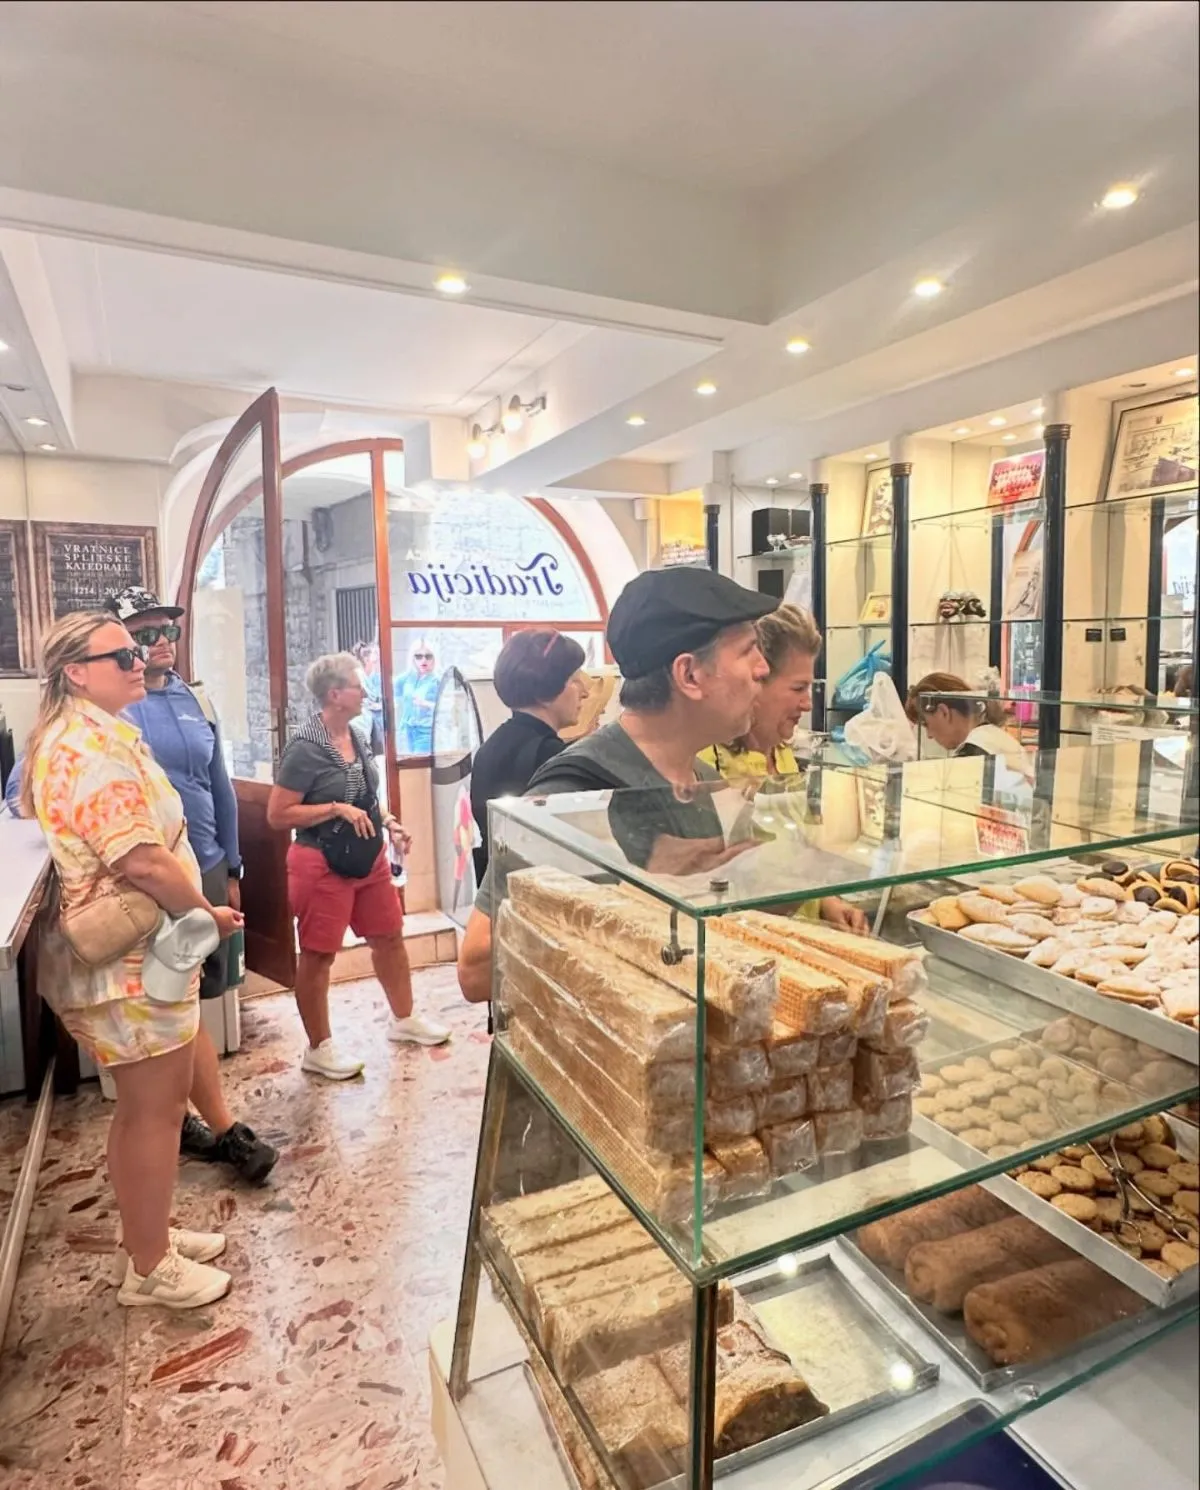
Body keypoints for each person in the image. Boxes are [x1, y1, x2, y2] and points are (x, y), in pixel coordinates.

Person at [6, 587, 279, 1185]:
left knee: (190, 1006)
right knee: (151, 1056)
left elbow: (218, 784)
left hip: (197, 864)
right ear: (80, 671)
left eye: (163, 634)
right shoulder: (92, 728)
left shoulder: (189, 698)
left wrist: (230, 868)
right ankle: (182, 1130)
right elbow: (25, 800)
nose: (154, 649)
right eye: (138, 640)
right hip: (143, 897)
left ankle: (208, 1123)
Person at [23, 612, 243, 1309]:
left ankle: (147, 1237)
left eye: (138, 650)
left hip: (127, 964)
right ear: (75, 673)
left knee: (139, 1111)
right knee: (156, 1111)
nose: (138, 661)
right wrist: (206, 914)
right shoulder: (90, 750)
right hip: (130, 964)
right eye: (119, 654)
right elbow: (144, 861)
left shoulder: (90, 735)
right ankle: (151, 1270)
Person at [457, 566, 776, 1003]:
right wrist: (644, 896)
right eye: (748, 651)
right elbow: (475, 969)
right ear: (689, 676)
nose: (763, 669)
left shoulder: (708, 782)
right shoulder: (574, 796)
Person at [268, 652, 450, 1079]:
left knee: (389, 937)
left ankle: (404, 1019)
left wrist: (388, 822)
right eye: (357, 684)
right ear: (335, 694)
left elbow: (365, 795)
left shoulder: (358, 732)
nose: (365, 690)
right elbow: (278, 815)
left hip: (368, 857)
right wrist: (334, 809)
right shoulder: (305, 747)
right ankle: (319, 1046)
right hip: (320, 861)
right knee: (319, 954)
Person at [700, 603, 868, 932]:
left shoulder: (783, 755)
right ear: (756, 680)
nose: (807, 703)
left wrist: (824, 902)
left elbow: (792, 860)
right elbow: (714, 886)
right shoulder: (704, 764)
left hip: (797, 941)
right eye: (797, 688)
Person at [470, 630, 587, 880]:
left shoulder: (492, 746)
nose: (585, 691)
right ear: (545, 691)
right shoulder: (548, 754)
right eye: (575, 680)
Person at [905, 671, 1028, 770]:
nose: (929, 735)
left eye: (926, 724)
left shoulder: (972, 754)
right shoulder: (992, 737)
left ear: (943, 712)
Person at [395, 641, 439, 755]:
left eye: (428, 656)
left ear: (434, 658)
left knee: (418, 767)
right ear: (413, 658)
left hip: (426, 731)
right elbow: (389, 689)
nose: (423, 660)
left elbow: (446, 708)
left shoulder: (437, 680)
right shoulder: (406, 678)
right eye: (418, 656)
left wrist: (426, 704)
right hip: (406, 731)